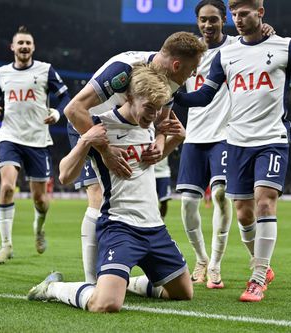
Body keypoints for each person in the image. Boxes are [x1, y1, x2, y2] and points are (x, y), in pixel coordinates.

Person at [174, 0, 291, 301]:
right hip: (237, 142)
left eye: (243, 13)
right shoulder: (227, 55)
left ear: (260, 13)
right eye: (234, 14)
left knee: (263, 203)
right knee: (244, 213)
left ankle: (257, 278)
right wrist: (179, 97)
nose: (238, 19)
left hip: (272, 138)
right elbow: (206, 94)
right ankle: (260, 263)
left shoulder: (285, 47)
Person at [27, 63, 191, 312]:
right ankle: (52, 288)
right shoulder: (101, 126)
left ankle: (125, 283)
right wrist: (84, 143)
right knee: (105, 304)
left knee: (183, 293)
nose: (154, 116)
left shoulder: (149, 124)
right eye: (148, 108)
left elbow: (147, 165)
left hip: (155, 228)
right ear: (129, 97)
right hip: (119, 227)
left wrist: (175, 140)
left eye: (158, 110)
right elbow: (64, 175)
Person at [64, 31, 207, 283]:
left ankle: (124, 279)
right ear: (176, 65)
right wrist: (104, 150)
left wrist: (159, 142)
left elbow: (162, 122)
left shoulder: (171, 80)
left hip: (132, 132)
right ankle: (91, 282)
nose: (193, 74)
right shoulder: (124, 70)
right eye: (192, 68)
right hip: (90, 125)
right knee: (98, 198)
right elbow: (74, 109)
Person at [176, 0, 274, 289]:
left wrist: (267, 30)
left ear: (224, 21)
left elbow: (264, 43)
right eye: (203, 20)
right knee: (187, 204)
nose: (208, 25)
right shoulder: (188, 51)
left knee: (220, 195)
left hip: (226, 135)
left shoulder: (237, 47)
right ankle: (201, 259)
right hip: (195, 135)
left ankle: (216, 266)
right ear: (197, 22)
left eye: (214, 20)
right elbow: (169, 82)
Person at [0, 26, 71, 264]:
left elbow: (65, 97)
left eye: (28, 43)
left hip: (37, 140)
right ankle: (6, 245)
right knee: (7, 187)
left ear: (33, 48)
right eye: (20, 43)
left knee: (41, 201)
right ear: (12, 47)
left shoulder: (45, 70)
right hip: (9, 136)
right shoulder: (1, 73)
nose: (24, 47)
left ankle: (39, 227)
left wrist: (56, 112)